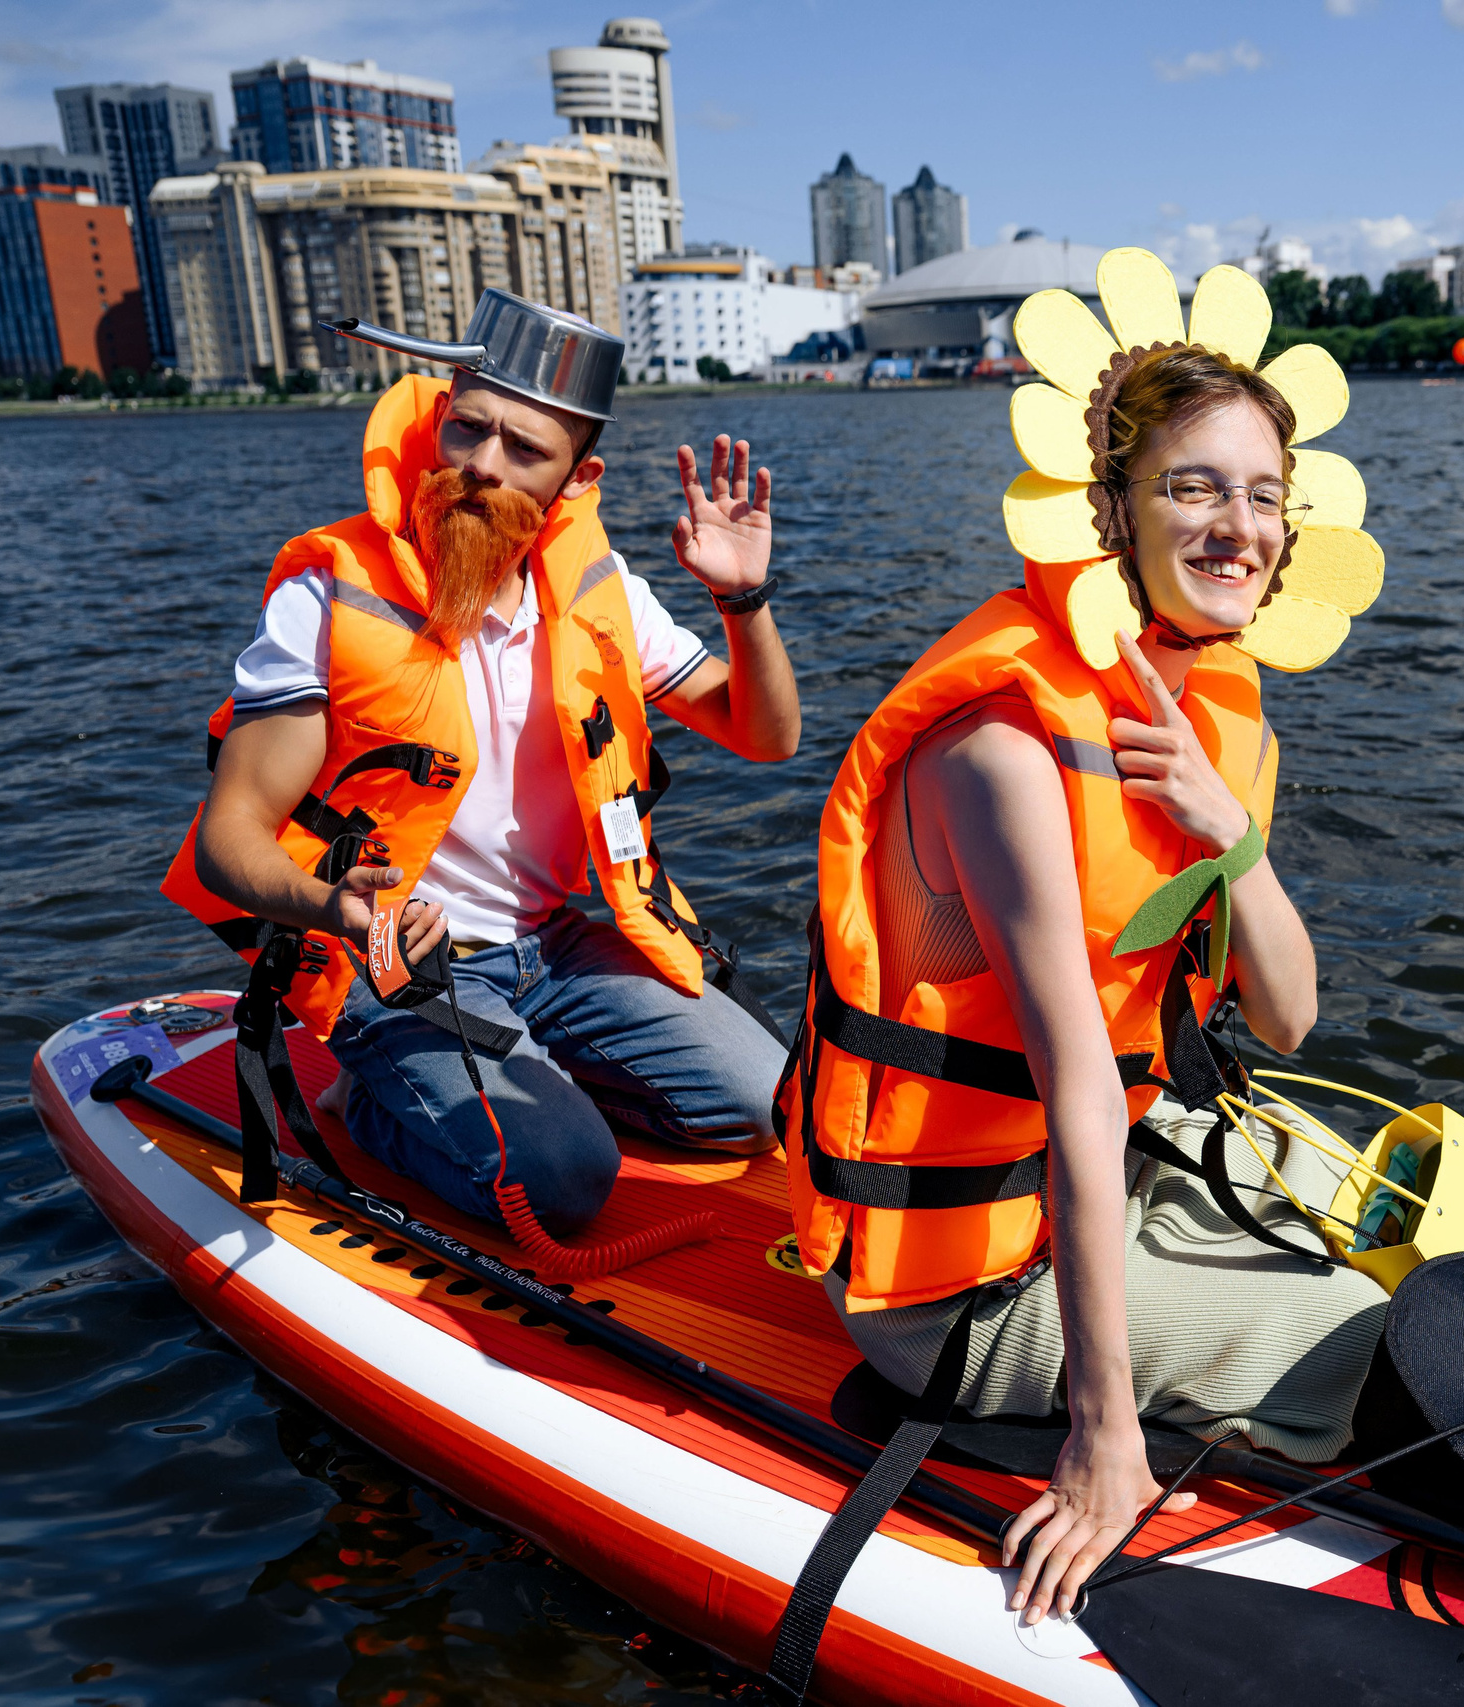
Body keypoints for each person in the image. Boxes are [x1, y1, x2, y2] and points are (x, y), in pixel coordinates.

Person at [778, 259, 1392, 1633]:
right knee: (1360, 1325)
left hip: (1082, 1193)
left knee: (1386, 1241)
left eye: (1263, 494)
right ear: (1106, 507)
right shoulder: (1001, 743)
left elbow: (1289, 1017)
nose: (1241, 526)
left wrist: (1230, 831)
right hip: (955, 1285)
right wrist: (1106, 1436)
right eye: (1194, 487)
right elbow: (1075, 1085)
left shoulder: (1203, 725)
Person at [162, 291, 798, 1240]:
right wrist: (344, 907)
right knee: (565, 1182)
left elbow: (766, 734)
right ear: (442, 416)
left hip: (557, 946)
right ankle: (370, 1097)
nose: (480, 466)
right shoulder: (330, 593)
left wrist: (744, 604)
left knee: (766, 1106)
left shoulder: (601, 588)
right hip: (389, 958)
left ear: (577, 479)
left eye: (523, 450)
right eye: (468, 429)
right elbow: (228, 840)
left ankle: (529, 1065)